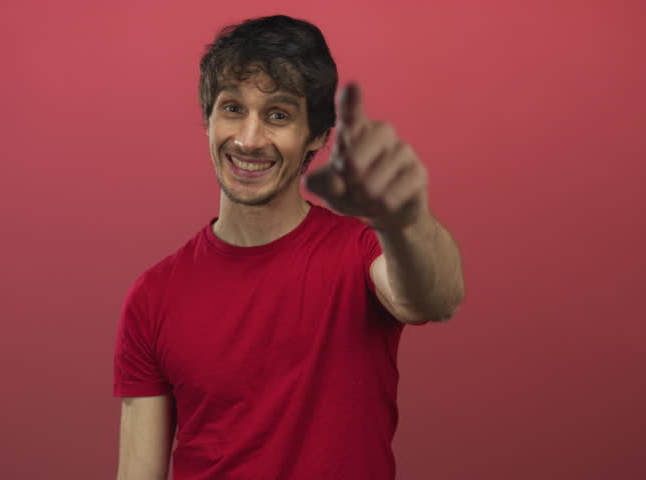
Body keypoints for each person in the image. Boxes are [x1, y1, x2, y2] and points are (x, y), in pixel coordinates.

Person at [113, 14, 465, 480]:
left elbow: (432, 299)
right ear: (208, 118)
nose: (249, 139)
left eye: (278, 114)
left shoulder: (361, 254)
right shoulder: (153, 296)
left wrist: (401, 213)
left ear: (316, 136)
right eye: (233, 108)